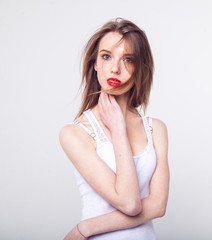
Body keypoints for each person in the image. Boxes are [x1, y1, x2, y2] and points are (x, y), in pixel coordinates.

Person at [59, 18, 169, 240]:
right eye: (106, 56)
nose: (115, 68)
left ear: (140, 67)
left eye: (128, 59)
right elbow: (130, 203)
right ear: (95, 63)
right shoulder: (75, 133)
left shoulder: (156, 129)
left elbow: (158, 206)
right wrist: (118, 131)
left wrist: (85, 228)